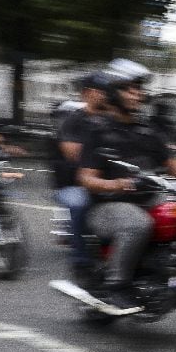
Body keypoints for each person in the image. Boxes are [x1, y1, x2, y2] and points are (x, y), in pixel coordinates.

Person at [77, 65, 176, 312]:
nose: (136, 94)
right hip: (106, 206)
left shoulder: (147, 129)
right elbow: (86, 178)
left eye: (138, 89)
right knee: (137, 223)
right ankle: (115, 285)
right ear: (113, 94)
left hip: (148, 197)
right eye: (129, 89)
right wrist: (116, 184)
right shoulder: (98, 130)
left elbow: (171, 164)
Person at [53, 71, 111, 279]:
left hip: (109, 179)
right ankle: (81, 260)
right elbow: (73, 155)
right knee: (80, 204)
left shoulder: (113, 120)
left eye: (107, 90)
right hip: (74, 183)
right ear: (86, 93)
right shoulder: (73, 121)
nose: (105, 94)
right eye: (100, 90)